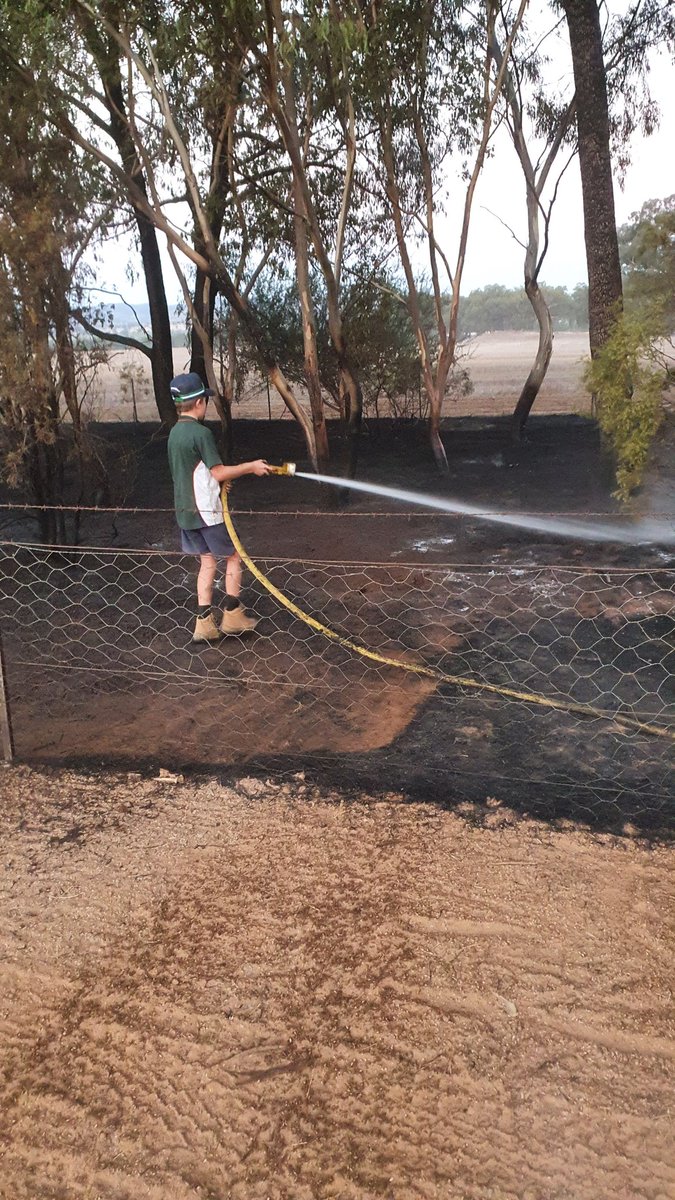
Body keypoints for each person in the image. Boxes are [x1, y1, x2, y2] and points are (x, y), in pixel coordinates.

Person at [167, 372, 269, 643]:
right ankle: (233, 616)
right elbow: (218, 471)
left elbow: (192, 472)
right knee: (233, 557)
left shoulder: (174, 434)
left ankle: (204, 625)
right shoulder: (201, 434)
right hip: (206, 512)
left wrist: (218, 485)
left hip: (185, 513)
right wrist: (251, 467)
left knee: (207, 561)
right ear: (199, 402)